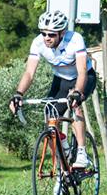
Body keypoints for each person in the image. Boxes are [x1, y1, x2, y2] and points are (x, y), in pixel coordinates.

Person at [10, 10, 97, 169]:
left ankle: (82, 153)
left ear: (62, 33)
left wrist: (77, 92)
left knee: (74, 105)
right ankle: (63, 156)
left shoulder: (75, 40)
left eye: (51, 34)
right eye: (43, 33)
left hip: (83, 77)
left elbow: (82, 71)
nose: (46, 38)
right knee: (50, 119)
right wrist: (18, 94)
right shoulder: (38, 43)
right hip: (61, 80)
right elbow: (29, 73)